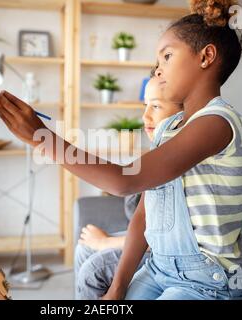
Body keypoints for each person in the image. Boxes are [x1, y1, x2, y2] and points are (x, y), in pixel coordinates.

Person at [0, 0, 242, 300]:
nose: (158, 69)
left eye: (167, 56)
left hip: (208, 281)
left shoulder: (218, 123)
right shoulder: (170, 129)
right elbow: (144, 214)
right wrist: (117, 288)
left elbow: (124, 180)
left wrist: (43, 139)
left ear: (206, 57)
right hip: (158, 269)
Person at [75, 73, 183, 300]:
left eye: (155, 106)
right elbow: (144, 217)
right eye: (145, 106)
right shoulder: (159, 150)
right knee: (84, 248)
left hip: (166, 251)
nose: (145, 116)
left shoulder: (181, 156)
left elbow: (165, 237)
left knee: (94, 269)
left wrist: (105, 242)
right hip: (152, 239)